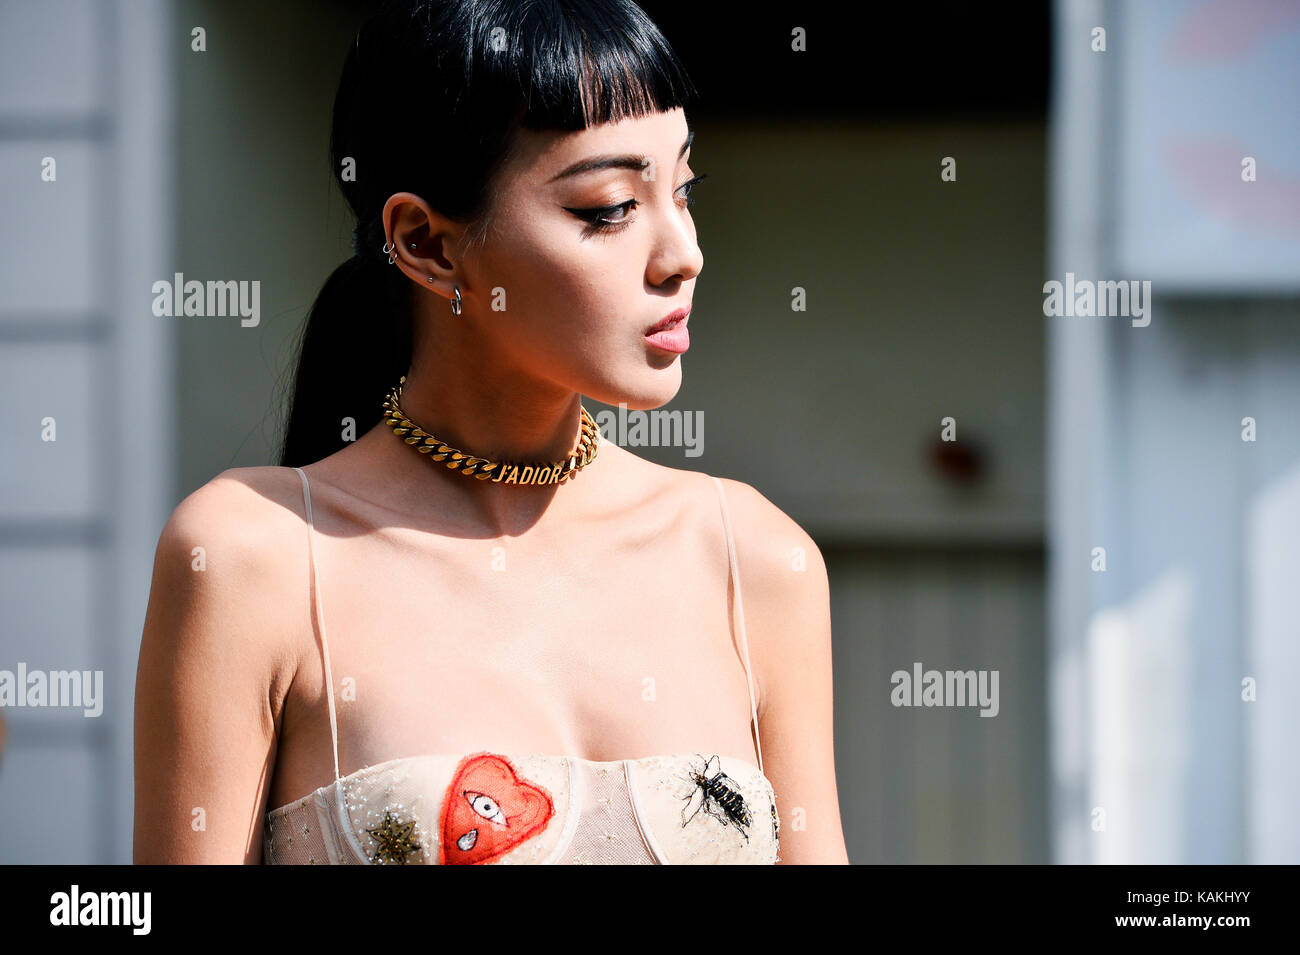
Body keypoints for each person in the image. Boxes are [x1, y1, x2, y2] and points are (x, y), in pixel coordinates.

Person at [134, 0, 847, 865]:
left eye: (683, 189)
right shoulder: (257, 556)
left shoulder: (756, 561)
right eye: (612, 206)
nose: (682, 252)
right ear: (428, 243)